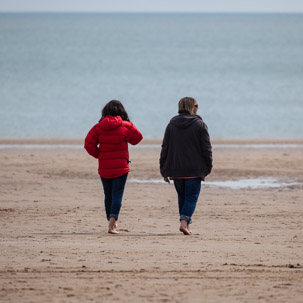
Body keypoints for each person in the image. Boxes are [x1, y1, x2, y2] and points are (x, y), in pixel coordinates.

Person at [84, 100, 143, 234]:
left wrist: (99, 155)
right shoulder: (126, 126)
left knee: (108, 195)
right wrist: (129, 126)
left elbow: (88, 144)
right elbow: (137, 139)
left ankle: (111, 219)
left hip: (104, 166)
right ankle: (113, 221)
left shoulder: (98, 127)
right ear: (122, 112)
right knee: (117, 195)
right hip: (121, 166)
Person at [160, 97, 212, 235]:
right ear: (191, 107)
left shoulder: (171, 125)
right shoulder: (200, 124)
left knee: (182, 198)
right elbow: (206, 148)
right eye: (196, 105)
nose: (198, 108)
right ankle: (184, 223)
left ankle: (185, 224)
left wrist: (163, 167)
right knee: (191, 197)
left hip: (176, 169)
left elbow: (165, 147)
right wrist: (208, 166)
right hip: (194, 169)